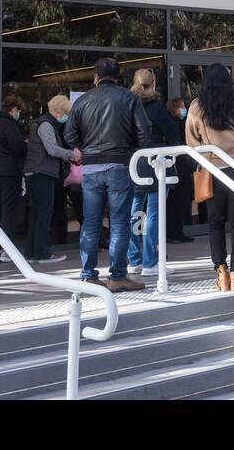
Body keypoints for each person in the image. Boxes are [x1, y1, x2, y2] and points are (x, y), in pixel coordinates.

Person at [64, 57, 152, 291]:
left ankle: (88, 275)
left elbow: (70, 135)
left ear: (96, 77)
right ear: (118, 77)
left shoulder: (82, 101)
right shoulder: (129, 98)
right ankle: (117, 276)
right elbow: (144, 132)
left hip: (91, 168)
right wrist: (130, 150)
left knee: (90, 224)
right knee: (119, 224)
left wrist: (88, 148)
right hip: (120, 166)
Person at [185, 63, 234, 292]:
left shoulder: (197, 106)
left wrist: (206, 153)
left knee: (215, 222)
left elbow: (190, 139)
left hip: (213, 167)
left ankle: (221, 273)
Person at [127, 68, 179, 276]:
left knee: (135, 212)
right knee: (154, 214)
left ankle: (134, 259)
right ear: (154, 83)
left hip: (134, 163)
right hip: (156, 164)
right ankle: (150, 262)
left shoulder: (127, 105)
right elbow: (173, 135)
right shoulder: (157, 108)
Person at [22, 95, 76, 265]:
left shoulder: (44, 123)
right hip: (41, 174)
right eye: (65, 113)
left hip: (36, 173)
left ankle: (32, 252)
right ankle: (43, 254)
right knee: (44, 214)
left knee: (37, 215)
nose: (65, 116)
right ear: (58, 111)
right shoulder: (46, 124)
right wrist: (72, 154)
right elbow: (52, 149)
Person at [0, 94, 28, 263]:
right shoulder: (10, 125)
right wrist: (26, 144)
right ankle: (7, 250)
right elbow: (18, 148)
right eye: (19, 111)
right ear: (14, 109)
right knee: (9, 211)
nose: (19, 114)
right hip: (9, 172)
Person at [164, 96, 196, 242]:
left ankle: (178, 231)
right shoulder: (172, 124)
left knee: (182, 200)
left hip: (183, 164)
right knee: (175, 201)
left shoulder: (181, 122)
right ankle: (173, 232)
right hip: (177, 166)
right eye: (181, 106)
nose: (184, 109)